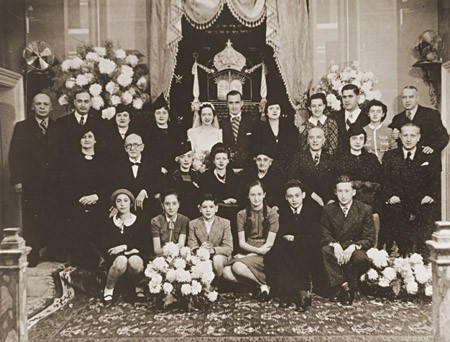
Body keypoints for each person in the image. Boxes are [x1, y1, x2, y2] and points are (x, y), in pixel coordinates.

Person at [9, 92, 62, 266]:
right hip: (32, 182)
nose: (42, 107)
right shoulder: (22, 127)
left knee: (53, 215)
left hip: (54, 183)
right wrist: (17, 180)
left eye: (45, 104)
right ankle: (32, 255)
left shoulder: (57, 127)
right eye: (38, 104)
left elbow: (63, 156)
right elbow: (14, 155)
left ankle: (54, 251)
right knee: (32, 218)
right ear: (33, 107)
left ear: (51, 107)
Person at [382, 123, 439, 257]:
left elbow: (434, 179)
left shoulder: (428, 156)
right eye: (405, 135)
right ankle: (403, 255)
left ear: (418, 137)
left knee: (428, 213)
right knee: (395, 213)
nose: (408, 139)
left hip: (421, 200)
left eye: (412, 135)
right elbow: (384, 180)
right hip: (399, 200)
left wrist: (430, 195)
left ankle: (422, 257)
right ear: (400, 137)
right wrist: (390, 196)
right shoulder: (390, 156)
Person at [265, 179, 323, 311]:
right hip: (288, 246)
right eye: (290, 196)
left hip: (307, 246)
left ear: (303, 195)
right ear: (286, 197)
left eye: (297, 195)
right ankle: (288, 291)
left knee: (301, 251)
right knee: (276, 253)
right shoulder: (282, 211)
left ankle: (302, 292)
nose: (294, 200)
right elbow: (281, 235)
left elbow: (316, 235)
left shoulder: (313, 210)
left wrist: (296, 238)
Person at [321, 175, 375, 306]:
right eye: (340, 191)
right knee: (325, 251)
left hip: (354, 248)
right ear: (335, 192)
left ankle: (351, 287)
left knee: (360, 258)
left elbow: (369, 239)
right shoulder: (328, 209)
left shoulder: (364, 209)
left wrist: (353, 246)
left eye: (347, 191)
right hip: (337, 248)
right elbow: (324, 233)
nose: (343, 195)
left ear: (354, 192)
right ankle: (345, 287)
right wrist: (335, 244)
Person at [223, 181, 279, 301]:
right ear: (248, 196)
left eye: (259, 194)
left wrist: (252, 254)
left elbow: (269, 244)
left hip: (266, 253)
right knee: (226, 272)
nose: (256, 198)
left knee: (238, 267)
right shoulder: (241, 214)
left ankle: (263, 285)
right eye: (252, 195)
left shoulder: (272, 214)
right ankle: (262, 286)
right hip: (249, 251)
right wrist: (248, 254)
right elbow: (242, 243)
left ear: (264, 194)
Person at [60, 127, 107, 268]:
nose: (87, 140)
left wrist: (97, 196)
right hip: (77, 205)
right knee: (78, 230)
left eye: (90, 136)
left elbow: (108, 183)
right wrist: (81, 199)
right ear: (79, 141)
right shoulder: (71, 161)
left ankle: (100, 259)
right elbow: (66, 185)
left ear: (95, 140)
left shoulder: (103, 161)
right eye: (83, 137)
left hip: (99, 205)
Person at [102, 189, 150, 305]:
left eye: (125, 200)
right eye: (119, 201)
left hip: (134, 254)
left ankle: (139, 287)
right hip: (116, 259)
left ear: (131, 203)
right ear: (115, 204)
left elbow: (144, 244)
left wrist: (124, 247)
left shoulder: (138, 221)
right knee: (122, 261)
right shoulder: (109, 223)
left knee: (134, 261)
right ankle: (109, 288)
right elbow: (107, 245)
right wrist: (121, 251)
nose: (122, 204)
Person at [389, 85, 449, 175]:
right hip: (406, 168)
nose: (407, 100)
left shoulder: (431, 114)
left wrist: (433, 147)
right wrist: (393, 135)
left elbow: (443, 136)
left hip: (429, 166)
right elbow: (392, 137)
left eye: (411, 97)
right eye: (404, 97)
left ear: (417, 98)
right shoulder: (398, 118)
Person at [111, 133, 165, 223]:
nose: (132, 148)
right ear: (125, 148)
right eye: (129, 145)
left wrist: (145, 191)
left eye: (136, 145)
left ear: (142, 147)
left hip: (148, 209)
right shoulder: (117, 165)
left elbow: (162, 183)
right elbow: (114, 187)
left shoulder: (153, 163)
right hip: (125, 210)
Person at [188, 193, 233, 278]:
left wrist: (212, 250)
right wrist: (201, 250)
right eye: (204, 207)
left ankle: (216, 285)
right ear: (199, 208)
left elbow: (228, 248)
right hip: (201, 255)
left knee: (217, 260)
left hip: (220, 256)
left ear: (216, 208)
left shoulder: (225, 223)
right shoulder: (193, 224)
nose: (208, 210)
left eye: (211, 207)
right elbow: (192, 245)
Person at [251, 97, 299, 175]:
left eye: (277, 108)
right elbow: (256, 147)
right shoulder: (259, 128)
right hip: (267, 166)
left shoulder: (289, 127)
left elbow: (294, 146)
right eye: (271, 108)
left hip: (287, 165)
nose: (274, 111)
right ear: (266, 112)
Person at [288, 127, 335, 207]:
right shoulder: (299, 157)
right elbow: (293, 180)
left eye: (318, 137)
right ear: (307, 141)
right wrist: (312, 194)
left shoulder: (331, 159)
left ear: (323, 140)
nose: (315, 140)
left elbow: (334, 182)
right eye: (311, 137)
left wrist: (331, 199)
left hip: (327, 203)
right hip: (305, 202)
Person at [57, 90, 105, 158]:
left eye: (86, 101)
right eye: (79, 101)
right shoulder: (62, 122)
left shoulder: (99, 123)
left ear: (91, 103)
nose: (83, 105)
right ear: (74, 102)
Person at [220, 90, 256, 170]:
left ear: (242, 103)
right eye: (231, 103)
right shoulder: (221, 123)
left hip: (248, 167)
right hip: (228, 168)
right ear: (227, 104)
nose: (234, 106)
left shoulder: (252, 122)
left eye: (237, 102)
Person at [147, 94, 181, 175]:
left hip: (175, 169)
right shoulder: (148, 132)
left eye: (164, 113)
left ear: (168, 115)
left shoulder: (176, 131)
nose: (161, 116)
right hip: (155, 170)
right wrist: (158, 167)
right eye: (158, 113)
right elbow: (147, 154)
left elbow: (179, 150)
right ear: (154, 115)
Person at [330, 84, 370, 154]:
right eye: (344, 97)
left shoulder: (367, 117)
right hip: (340, 160)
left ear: (358, 98)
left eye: (350, 96)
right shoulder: (335, 117)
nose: (347, 100)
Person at [167, 141, 201, 219]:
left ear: (192, 158)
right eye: (183, 157)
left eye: (189, 156)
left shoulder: (197, 176)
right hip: (177, 213)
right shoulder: (171, 176)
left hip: (195, 213)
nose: (186, 160)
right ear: (178, 159)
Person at [151, 189, 189, 256]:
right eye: (167, 204)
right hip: (161, 256)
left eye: (174, 204)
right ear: (162, 205)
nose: (171, 207)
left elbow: (181, 245)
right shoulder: (155, 221)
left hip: (178, 256)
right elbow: (157, 250)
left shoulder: (184, 220)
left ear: (179, 204)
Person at [187, 102, 223, 172]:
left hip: (214, 170)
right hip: (197, 170)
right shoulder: (192, 133)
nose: (207, 117)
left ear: (213, 116)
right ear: (200, 116)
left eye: (209, 114)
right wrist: (198, 168)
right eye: (204, 115)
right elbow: (190, 154)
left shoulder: (218, 133)